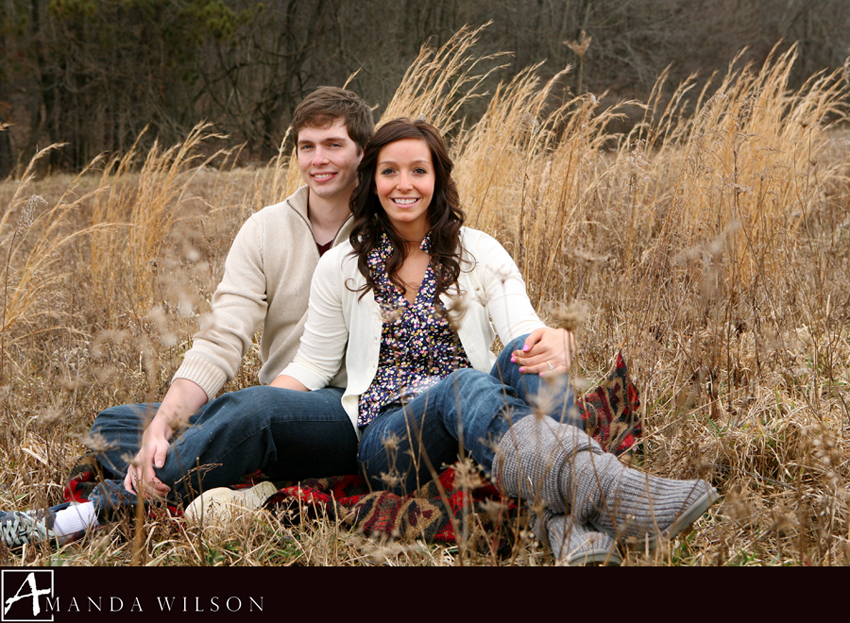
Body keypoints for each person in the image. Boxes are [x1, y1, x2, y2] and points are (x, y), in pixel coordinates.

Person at [272, 118, 720, 565]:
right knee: (463, 385)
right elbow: (312, 365)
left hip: (477, 422)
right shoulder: (345, 265)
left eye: (418, 171)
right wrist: (263, 413)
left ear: (437, 179)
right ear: (372, 180)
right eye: (389, 171)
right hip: (392, 444)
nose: (403, 184)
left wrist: (555, 340)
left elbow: (523, 331)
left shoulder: (478, 250)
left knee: (528, 356)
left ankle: (568, 530)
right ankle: (615, 489)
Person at [0, 86, 375, 549]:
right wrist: (162, 426)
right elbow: (222, 337)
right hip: (272, 410)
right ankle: (241, 483)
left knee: (251, 409)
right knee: (119, 424)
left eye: (334, 145)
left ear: (362, 151)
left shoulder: (383, 232)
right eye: (307, 146)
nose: (319, 159)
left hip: (345, 414)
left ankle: (79, 517)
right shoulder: (265, 229)